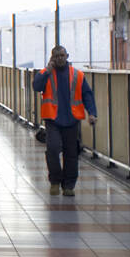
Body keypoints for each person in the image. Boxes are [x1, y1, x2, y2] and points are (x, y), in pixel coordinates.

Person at [32, 46, 97, 197]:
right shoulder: (46, 73)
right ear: (52, 58)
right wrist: (47, 71)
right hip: (53, 119)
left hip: (72, 120)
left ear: (67, 56)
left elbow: (87, 94)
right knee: (53, 149)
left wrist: (92, 113)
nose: (60, 58)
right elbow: (36, 86)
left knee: (71, 153)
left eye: (62, 55)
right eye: (57, 56)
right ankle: (55, 181)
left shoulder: (77, 75)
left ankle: (68, 185)